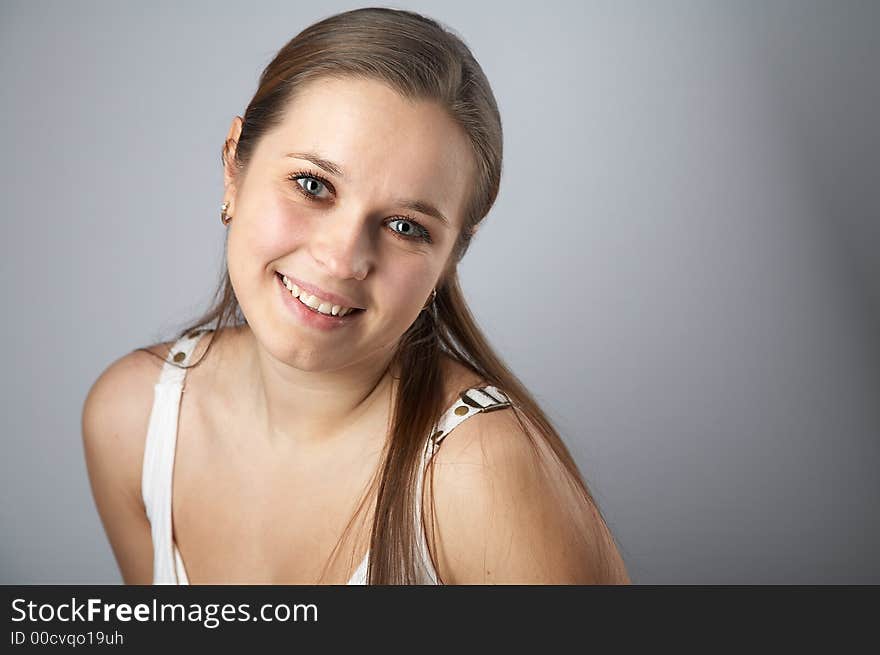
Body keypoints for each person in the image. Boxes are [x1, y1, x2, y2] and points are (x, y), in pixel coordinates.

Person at [81, 7, 630, 585]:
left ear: (449, 260)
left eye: (405, 226)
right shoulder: (132, 420)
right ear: (233, 167)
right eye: (313, 185)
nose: (341, 260)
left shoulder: (479, 475)